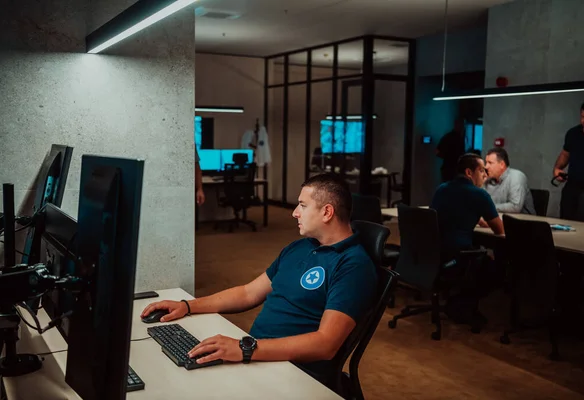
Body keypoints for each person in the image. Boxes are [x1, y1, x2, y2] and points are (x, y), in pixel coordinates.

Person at [141, 173, 377, 382]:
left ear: (327, 212)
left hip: (293, 373)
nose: (295, 212)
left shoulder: (353, 265)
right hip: (257, 355)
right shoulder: (300, 247)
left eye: (303, 205)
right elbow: (248, 293)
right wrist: (187, 306)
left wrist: (245, 350)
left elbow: (326, 344)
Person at [430, 153, 504, 325]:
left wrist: (477, 218)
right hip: (457, 258)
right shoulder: (480, 195)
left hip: (436, 256)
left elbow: (443, 213)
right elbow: (499, 230)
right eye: (481, 171)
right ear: (469, 172)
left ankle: (457, 300)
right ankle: (461, 304)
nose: (485, 175)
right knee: (497, 268)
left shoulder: (442, 189)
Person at [553, 102, 584, 221]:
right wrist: (557, 168)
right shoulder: (573, 133)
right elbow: (566, 154)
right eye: (582, 117)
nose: (583, 121)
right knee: (566, 220)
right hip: (572, 185)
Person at [484, 147, 535, 214]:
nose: (486, 166)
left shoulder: (516, 176)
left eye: (490, 163)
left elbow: (515, 207)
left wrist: (488, 208)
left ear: (502, 164)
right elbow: (481, 203)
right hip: (499, 219)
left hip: (523, 222)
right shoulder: (488, 180)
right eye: (486, 162)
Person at [436, 118, 466, 183]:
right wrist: (449, 157)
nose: (462, 127)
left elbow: (437, 152)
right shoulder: (450, 137)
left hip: (453, 169)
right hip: (450, 169)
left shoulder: (460, 138)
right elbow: (437, 152)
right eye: (461, 125)